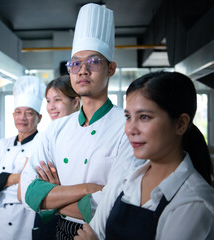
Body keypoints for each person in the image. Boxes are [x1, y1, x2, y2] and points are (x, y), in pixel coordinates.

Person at [20, 3, 141, 239]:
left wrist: (53, 196)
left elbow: (116, 204)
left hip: (101, 233)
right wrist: (87, 190)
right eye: (75, 63)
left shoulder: (128, 127)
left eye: (94, 62)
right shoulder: (56, 129)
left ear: (111, 68)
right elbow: (27, 191)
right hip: (58, 231)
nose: (83, 70)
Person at [75, 71, 214, 240]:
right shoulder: (127, 176)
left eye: (144, 117)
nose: (130, 129)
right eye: (128, 117)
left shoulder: (194, 202)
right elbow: (94, 231)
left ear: (180, 124)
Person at [0, 75, 46, 240]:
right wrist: (18, 178)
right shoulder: (2, 144)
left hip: (23, 219)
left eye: (29, 113)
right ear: (13, 115)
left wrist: (1, 183)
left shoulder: (42, 144)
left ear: (39, 118)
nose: (22, 118)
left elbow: (35, 187)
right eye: (18, 112)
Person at [32, 74, 80, 240]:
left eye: (57, 99)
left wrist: (57, 190)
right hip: (47, 219)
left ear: (76, 102)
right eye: (48, 101)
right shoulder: (46, 137)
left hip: (79, 224)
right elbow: (32, 189)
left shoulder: (86, 136)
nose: (51, 107)